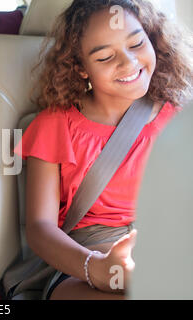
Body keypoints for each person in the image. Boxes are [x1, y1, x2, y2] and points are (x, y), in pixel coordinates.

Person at [15, 0, 192, 300]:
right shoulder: (56, 125)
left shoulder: (178, 118)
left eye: (136, 43)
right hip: (82, 266)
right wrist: (96, 268)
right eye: (106, 56)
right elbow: (39, 228)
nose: (128, 62)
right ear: (81, 68)